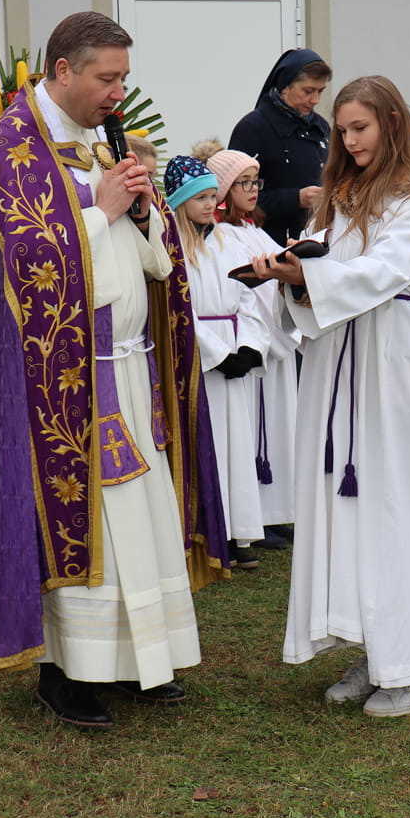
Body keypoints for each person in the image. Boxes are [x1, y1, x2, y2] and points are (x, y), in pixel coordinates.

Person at [0, 11, 228, 730]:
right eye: (107, 79)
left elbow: (153, 258)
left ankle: (142, 660)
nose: (118, 93)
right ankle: (65, 672)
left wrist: (141, 214)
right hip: (64, 381)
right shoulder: (14, 149)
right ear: (62, 71)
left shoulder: (99, 141)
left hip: (131, 368)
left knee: (139, 519)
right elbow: (20, 264)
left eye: (123, 79)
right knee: (88, 523)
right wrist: (100, 210)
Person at [251, 74, 410, 719]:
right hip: (336, 352)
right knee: (341, 501)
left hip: (388, 349)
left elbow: (385, 270)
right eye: (342, 131)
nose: (350, 140)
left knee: (392, 500)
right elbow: (328, 266)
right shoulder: (342, 193)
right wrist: (294, 274)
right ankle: (373, 650)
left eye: (360, 127)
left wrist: (313, 274)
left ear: (391, 121)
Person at [164, 154, 268, 568]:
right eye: (201, 198)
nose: (211, 204)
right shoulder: (172, 248)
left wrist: (249, 345)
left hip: (234, 349)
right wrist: (217, 354)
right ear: (180, 202)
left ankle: (240, 530)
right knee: (208, 443)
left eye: (213, 196)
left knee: (237, 443)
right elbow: (179, 308)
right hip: (202, 358)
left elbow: (248, 296)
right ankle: (208, 531)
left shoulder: (227, 242)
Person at [207, 144, 300, 549]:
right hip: (252, 344)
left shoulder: (254, 230)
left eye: (254, 181)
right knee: (252, 431)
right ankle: (255, 516)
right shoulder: (221, 235)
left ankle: (275, 512)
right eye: (242, 182)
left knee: (277, 429)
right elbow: (242, 290)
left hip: (272, 340)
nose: (252, 189)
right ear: (222, 190)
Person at [229, 48, 333, 244]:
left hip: (316, 240)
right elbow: (234, 197)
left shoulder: (320, 127)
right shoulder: (252, 128)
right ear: (285, 86)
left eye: (320, 91)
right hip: (265, 245)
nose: (315, 100)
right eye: (308, 91)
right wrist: (296, 198)